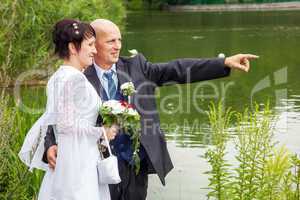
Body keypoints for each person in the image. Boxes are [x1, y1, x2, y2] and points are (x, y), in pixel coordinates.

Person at [44, 19, 258, 200]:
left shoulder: (136, 67)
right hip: (94, 166)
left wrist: (224, 63)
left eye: (120, 40)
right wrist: (51, 143)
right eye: (110, 41)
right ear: (93, 44)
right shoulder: (77, 74)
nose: (117, 46)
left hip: (134, 167)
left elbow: (177, 69)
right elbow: (58, 114)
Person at [18, 19, 118, 200]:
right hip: (78, 162)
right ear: (73, 48)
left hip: (70, 156)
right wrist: (102, 132)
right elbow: (65, 126)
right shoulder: (75, 79)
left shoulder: (58, 77)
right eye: (90, 45)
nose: (95, 51)